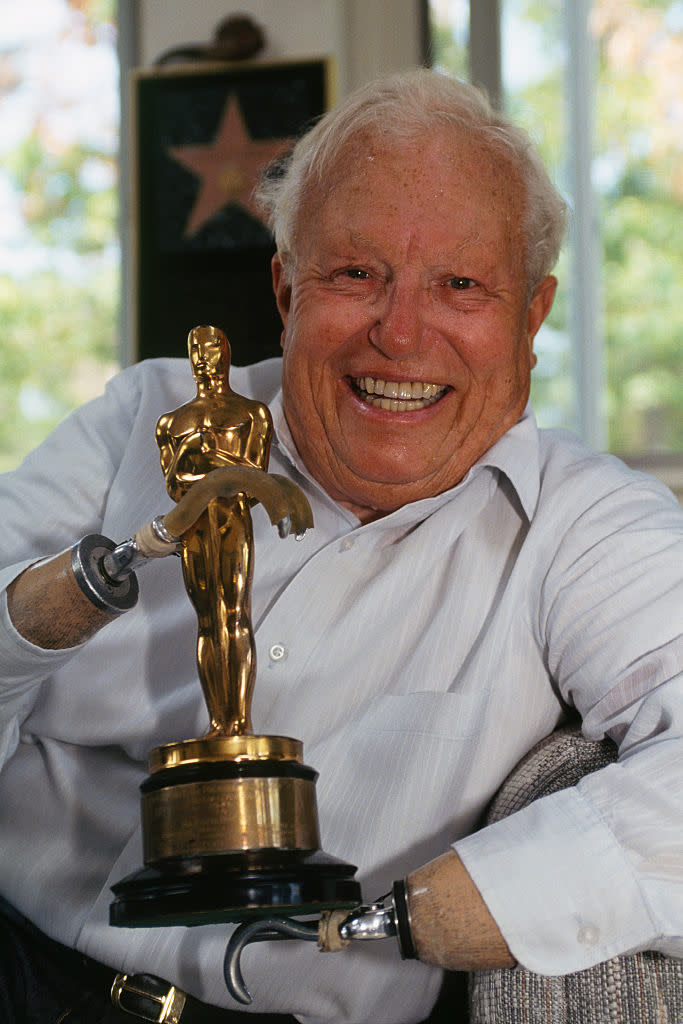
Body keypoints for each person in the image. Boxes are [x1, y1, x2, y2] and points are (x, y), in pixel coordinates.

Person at [0, 69, 681, 1024]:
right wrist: (51, 606)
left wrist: (477, 903)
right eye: (355, 274)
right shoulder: (145, 422)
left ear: (532, 317)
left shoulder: (583, 530)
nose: (400, 334)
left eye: (461, 285)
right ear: (285, 287)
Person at [155, 324, 273, 736]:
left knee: (235, 614)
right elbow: (174, 486)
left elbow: (258, 480)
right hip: (194, 526)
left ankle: (239, 720)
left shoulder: (250, 414)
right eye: (196, 351)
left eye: (211, 349)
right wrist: (192, 457)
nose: (204, 359)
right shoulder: (172, 423)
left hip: (233, 520)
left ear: (225, 353)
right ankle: (218, 722)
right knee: (207, 620)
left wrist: (209, 456)